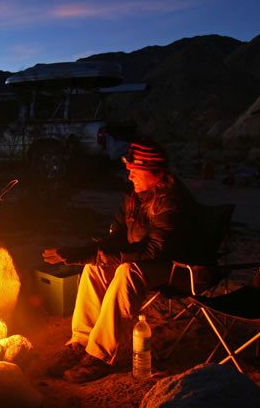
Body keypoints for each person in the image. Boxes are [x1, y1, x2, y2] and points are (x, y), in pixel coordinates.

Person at [42, 138, 198, 383]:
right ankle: (81, 342)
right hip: (152, 262)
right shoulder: (135, 196)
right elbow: (116, 236)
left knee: (128, 271)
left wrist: (96, 253)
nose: (130, 178)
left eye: (135, 172)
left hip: (184, 268)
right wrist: (85, 252)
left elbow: (156, 249)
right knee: (95, 268)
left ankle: (100, 355)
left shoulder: (170, 199)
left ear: (153, 172)